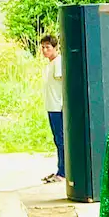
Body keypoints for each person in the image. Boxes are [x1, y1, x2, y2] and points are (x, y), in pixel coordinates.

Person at [40, 34, 64, 183]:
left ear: (55, 48)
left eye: (47, 47)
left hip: (58, 107)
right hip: (51, 106)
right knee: (57, 140)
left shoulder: (58, 62)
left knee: (61, 140)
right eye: (42, 47)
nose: (44, 50)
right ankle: (59, 169)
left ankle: (63, 172)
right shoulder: (50, 64)